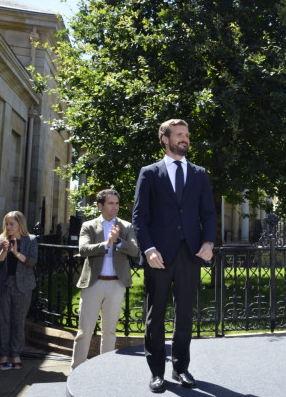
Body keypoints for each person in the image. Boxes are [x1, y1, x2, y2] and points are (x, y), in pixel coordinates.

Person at [133, 118, 217, 393]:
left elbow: (208, 213)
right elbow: (139, 218)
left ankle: (181, 368)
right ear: (165, 139)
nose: (186, 139)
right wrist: (148, 248)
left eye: (187, 135)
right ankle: (157, 372)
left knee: (185, 316)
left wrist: (208, 242)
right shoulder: (149, 173)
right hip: (158, 255)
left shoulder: (199, 173)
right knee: (155, 316)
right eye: (180, 135)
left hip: (190, 254)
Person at [71, 189, 139, 370]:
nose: (114, 207)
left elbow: (134, 251)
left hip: (116, 284)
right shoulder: (89, 226)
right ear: (100, 205)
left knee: (109, 332)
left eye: (117, 203)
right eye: (110, 203)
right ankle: (76, 369)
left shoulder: (126, 227)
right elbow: (83, 249)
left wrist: (117, 242)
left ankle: (104, 371)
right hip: (93, 283)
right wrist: (106, 244)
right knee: (84, 331)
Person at [0, 211, 37, 370]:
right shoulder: (0, 240)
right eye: (6, 224)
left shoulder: (30, 240)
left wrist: (16, 252)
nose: (8, 227)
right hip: (4, 285)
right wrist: (4, 251)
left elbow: (31, 262)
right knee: (5, 321)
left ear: (20, 225)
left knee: (18, 321)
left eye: (11, 224)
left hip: (23, 286)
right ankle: (4, 354)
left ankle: (16, 354)